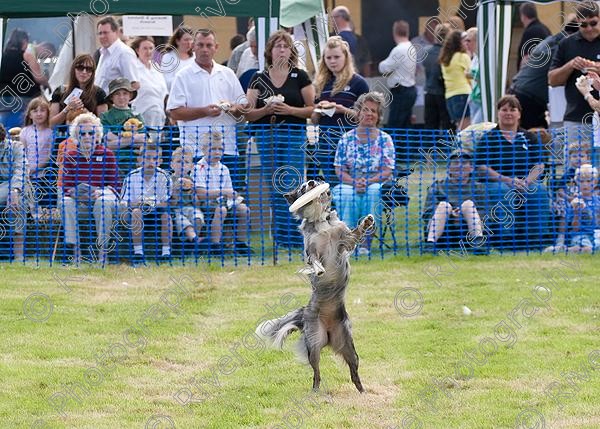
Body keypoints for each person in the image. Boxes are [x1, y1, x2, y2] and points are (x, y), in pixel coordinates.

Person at [245, 29, 315, 249]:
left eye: (285, 46)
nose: (282, 49)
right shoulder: (258, 78)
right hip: (267, 136)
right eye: (277, 46)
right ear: (270, 51)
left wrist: (289, 109)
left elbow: (312, 110)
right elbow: (248, 113)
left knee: (292, 184)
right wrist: (266, 110)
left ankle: (296, 237)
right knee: (274, 184)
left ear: (291, 50)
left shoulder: (301, 76)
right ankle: (280, 237)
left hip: (294, 135)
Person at [167, 29, 247, 192]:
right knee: (198, 202)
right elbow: (174, 112)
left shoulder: (228, 73)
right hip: (194, 151)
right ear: (193, 47)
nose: (205, 49)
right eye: (201, 45)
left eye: (209, 45)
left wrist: (231, 108)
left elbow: (243, 107)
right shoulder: (183, 76)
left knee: (230, 201)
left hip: (227, 149)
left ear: (216, 47)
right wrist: (204, 111)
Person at [475, 95, 550, 249]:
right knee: (502, 191)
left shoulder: (529, 137)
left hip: (525, 182)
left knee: (539, 190)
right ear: (498, 113)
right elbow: (481, 167)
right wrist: (508, 180)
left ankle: (537, 238)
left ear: (519, 114)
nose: (508, 113)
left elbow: (540, 165)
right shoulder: (488, 138)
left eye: (512, 109)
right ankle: (505, 239)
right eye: (504, 110)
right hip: (497, 183)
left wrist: (527, 181)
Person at [332, 92, 395, 255]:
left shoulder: (385, 139)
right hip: (349, 182)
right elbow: (339, 169)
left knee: (374, 192)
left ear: (379, 116)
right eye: (365, 110)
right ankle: (349, 242)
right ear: (358, 113)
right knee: (344, 193)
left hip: (376, 182)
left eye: (374, 111)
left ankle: (365, 244)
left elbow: (388, 170)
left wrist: (368, 182)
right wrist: (354, 182)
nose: (369, 114)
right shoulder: (345, 139)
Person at [61, 112, 119, 264]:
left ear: (98, 134)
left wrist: (100, 192)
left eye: (91, 133)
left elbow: (115, 186)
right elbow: (66, 187)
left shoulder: (108, 154)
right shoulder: (70, 156)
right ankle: (76, 252)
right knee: (65, 202)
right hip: (80, 201)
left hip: (102, 199)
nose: (87, 136)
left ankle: (102, 254)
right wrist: (76, 194)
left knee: (103, 202)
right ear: (76, 136)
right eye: (82, 133)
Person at [310, 36, 369, 184]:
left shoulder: (358, 83)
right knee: (333, 185)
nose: (332, 61)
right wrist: (317, 110)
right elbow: (313, 119)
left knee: (352, 185)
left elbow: (367, 117)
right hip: (325, 143)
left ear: (346, 57)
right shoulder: (320, 84)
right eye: (328, 58)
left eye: (336, 57)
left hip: (352, 144)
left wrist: (341, 110)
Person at [510, 16, 579, 130]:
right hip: (529, 99)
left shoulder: (552, 40)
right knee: (536, 139)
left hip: (519, 90)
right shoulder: (564, 45)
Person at [549, 1, 600, 147]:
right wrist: (570, 65)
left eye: (593, 23)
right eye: (584, 25)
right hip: (576, 117)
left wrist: (596, 67)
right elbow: (552, 80)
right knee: (575, 166)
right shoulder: (567, 44)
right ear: (577, 22)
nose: (589, 28)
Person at [192, 132, 251, 255]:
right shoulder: (198, 167)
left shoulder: (224, 168)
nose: (217, 152)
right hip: (204, 203)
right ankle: (216, 245)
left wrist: (234, 196)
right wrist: (224, 192)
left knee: (244, 209)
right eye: (213, 149)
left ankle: (241, 244)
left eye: (220, 149)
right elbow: (201, 194)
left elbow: (228, 191)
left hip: (223, 201)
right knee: (221, 210)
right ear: (203, 150)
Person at [422, 149, 486, 253]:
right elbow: (427, 212)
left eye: (464, 163)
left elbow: (486, 212)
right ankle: (430, 245)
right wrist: (450, 214)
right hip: (445, 233)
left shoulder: (479, 188)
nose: (459, 166)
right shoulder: (438, 186)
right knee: (444, 205)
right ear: (449, 168)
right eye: (455, 163)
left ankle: (478, 242)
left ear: (471, 168)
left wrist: (463, 214)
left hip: (467, 232)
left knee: (468, 205)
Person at [120, 143, 172, 266]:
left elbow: (166, 203)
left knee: (167, 217)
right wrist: (139, 204)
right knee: (136, 212)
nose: (151, 162)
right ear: (140, 159)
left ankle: (166, 253)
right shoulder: (131, 176)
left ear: (160, 161)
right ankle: (138, 253)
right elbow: (124, 201)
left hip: (157, 212)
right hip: (136, 212)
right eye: (147, 158)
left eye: (155, 159)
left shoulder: (164, 176)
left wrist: (150, 203)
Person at [545, 142, 590, 252]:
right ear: (569, 158)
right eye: (574, 156)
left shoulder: (590, 172)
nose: (578, 159)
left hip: (587, 199)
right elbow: (560, 190)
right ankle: (561, 238)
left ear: (588, 158)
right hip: (569, 199)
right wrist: (569, 198)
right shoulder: (568, 174)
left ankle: (590, 235)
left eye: (581, 156)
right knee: (564, 208)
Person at [0, 29, 49, 128]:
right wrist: (48, 84)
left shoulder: (2, 56)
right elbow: (38, 77)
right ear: (23, 41)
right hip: (25, 97)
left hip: (4, 97)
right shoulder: (27, 56)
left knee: (5, 128)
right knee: (23, 128)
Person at [101, 78, 146, 176]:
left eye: (125, 93)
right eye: (117, 94)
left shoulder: (137, 115)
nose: (121, 97)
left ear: (130, 95)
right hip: (113, 163)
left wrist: (117, 139)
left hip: (135, 163)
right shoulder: (105, 116)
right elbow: (107, 144)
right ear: (112, 97)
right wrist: (134, 138)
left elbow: (143, 140)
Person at [49, 54, 108, 128]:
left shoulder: (99, 93)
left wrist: (86, 112)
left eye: (89, 69)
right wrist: (67, 109)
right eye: (80, 68)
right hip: (64, 137)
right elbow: (51, 124)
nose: (84, 72)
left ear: (93, 73)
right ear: (73, 69)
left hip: (88, 137)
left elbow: (103, 124)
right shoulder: (60, 91)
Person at [378, 20, 417, 129]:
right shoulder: (411, 47)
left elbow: (384, 68)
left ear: (394, 33)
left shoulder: (399, 50)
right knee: (406, 124)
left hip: (401, 91)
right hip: (409, 89)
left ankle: (395, 145)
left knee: (395, 124)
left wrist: (380, 64)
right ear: (407, 32)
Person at [19, 97, 54, 210]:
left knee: (44, 204)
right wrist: (26, 169)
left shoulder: (50, 133)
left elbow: (49, 156)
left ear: (48, 113)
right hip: (27, 175)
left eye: (42, 110)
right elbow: (22, 152)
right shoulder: (25, 131)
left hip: (44, 176)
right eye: (35, 111)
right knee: (29, 201)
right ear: (29, 114)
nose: (39, 114)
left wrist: (35, 168)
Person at [0, 124, 27, 261]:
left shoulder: (16, 147)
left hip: (17, 187)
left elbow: (20, 170)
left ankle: (18, 255)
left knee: (19, 201)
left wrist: (14, 190)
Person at [94, 16, 139, 94]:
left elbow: (134, 84)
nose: (102, 36)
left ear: (116, 32)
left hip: (113, 104)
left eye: (105, 33)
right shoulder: (103, 52)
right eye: (100, 33)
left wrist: (119, 103)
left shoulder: (125, 53)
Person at [130, 36, 168, 128]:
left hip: (159, 116)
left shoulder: (157, 68)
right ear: (137, 50)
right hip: (141, 116)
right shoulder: (133, 68)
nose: (149, 51)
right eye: (145, 48)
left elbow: (164, 91)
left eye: (151, 48)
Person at [170, 146, 204, 245]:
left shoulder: (192, 180)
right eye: (179, 162)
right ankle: (195, 240)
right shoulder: (169, 180)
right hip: (176, 210)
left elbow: (197, 204)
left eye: (186, 162)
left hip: (190, 208)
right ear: (172, 165)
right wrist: (175, 190)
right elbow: (171, 203)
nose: (182, 165)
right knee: (183, 222)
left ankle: (193, 242)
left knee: (197, 217)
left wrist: (193, 193)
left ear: (191, 166)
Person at [562, 164, 600, 253]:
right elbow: (575, 228)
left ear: (595, 182)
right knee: (587, 249)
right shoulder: (576, 202)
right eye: (582, 181)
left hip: (596, 234)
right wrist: (576, 213)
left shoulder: (598, 201)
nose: (585, 184)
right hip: (581, 235)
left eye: (588, 181)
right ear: (577, 182)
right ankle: (564, 250)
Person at [440, 30, 472, 130]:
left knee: (459, 127)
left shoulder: (444, 59)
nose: (467, 43)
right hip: (463, 94)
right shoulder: (463, 57)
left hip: (449, 97)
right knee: (467, 128)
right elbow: (471, 76)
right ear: (458, 43)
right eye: (464, 41)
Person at [423, 23, 451, 130]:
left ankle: (427, 147)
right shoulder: (448, 53)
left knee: (430, 126)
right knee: (447, 125)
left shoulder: (426, 51)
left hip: (429, 92)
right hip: (443, 93)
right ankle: (447, 147)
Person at [160, 26, 195, 92]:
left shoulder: (195, 57)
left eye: (191, 39)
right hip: (176, 95)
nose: (189, 43)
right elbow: (166, 81)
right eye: (186, 40)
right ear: (177, 41)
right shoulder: (168, 57)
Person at [517, 3, 551, 70]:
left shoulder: (530, 32)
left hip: (533, 76)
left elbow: (526, 59)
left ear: (523, 16)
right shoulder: (545, 29)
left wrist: (520, 77)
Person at [464, 28, 482, 125]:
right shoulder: (474, 57)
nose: (466, 43)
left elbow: (483, 77)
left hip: (482, 100)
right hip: (474, 98)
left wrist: (470, 74)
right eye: (465, 40)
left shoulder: (483, 57)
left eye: (469, 40)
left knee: (476, 128)